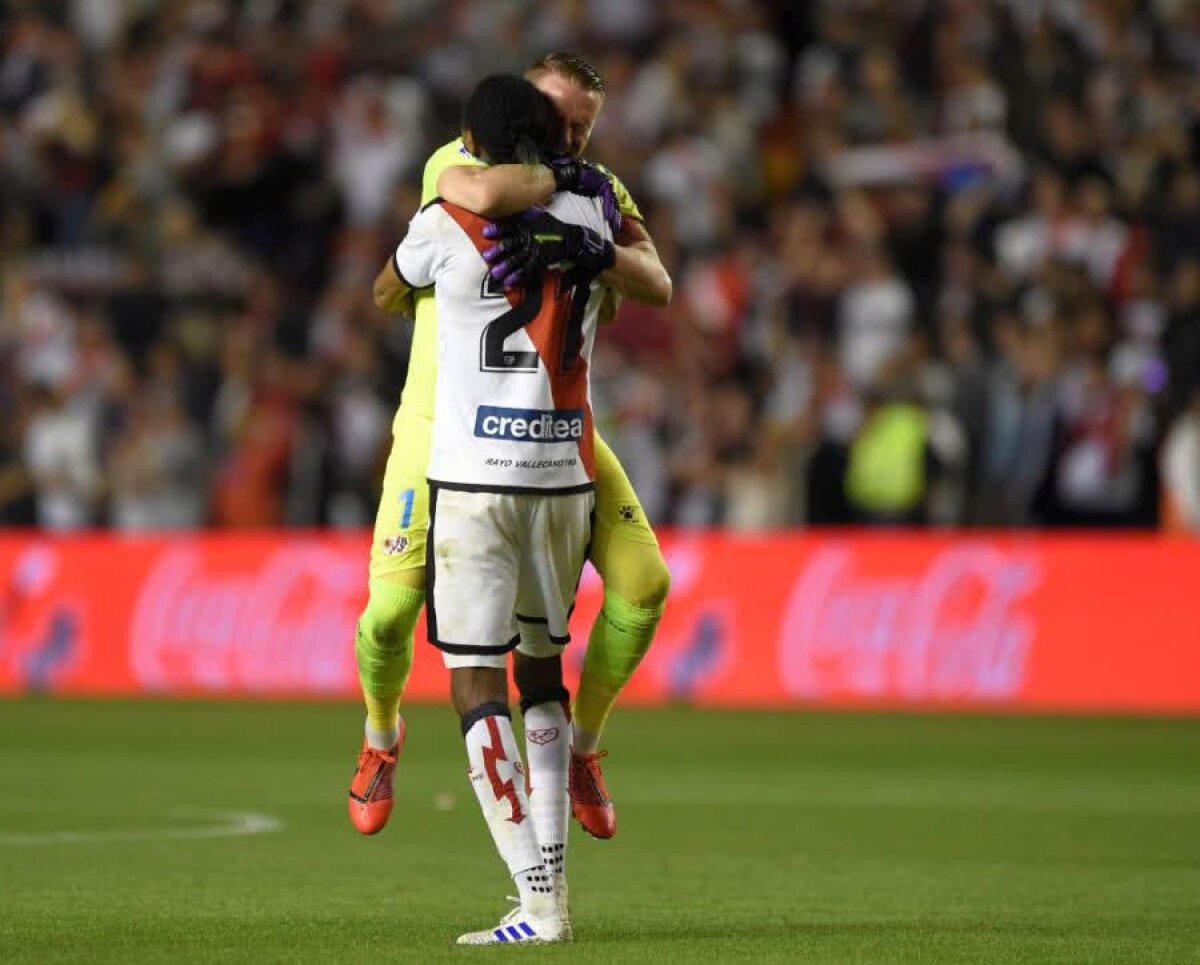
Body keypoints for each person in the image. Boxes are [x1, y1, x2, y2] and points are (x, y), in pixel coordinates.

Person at [349, 53, 673, 842]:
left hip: (554, 427)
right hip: (440, 427)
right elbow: (484, 191)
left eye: (583, 129)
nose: (569, 137)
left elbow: (657, 281)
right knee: (391, 613)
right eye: (555, 119)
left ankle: (586, 747)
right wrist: (568, 191)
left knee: (645, 583)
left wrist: (595, 245)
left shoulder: (601, 189)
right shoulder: (462, 160)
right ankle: (381, 733)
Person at [377, 73, 615, 943]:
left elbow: (385, 289)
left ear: (472, 143)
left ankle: (537, 898)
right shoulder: (592, 218)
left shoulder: (445, 221)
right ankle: (555, 891)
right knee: (544, 673)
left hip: (475, 476)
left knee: (477, 679)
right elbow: (637, 280)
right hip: (562, 476)